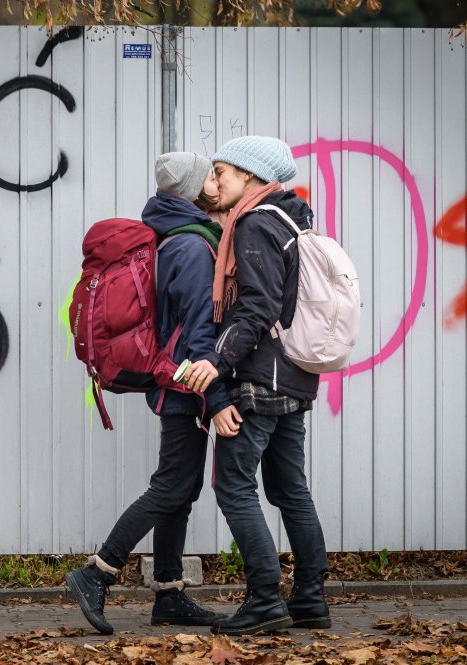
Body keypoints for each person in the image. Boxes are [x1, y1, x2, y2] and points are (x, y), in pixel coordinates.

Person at [66, 152, 243, 635]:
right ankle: (97, 572)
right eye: (209, 174)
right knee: (170, 486)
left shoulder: (176, 236)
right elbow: (195, 335)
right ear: (192, 189)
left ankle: (169, 593)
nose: (216, 179)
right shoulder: (190, 248)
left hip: (180, 385)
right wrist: (216, 398)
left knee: (180, 489)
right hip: (186, 385)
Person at [180, 135, 331, 636]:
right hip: (293, 377)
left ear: (248, 176)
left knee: (235, 488)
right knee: (291, 489)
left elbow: (258, 307)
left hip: (262, 380)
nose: (214, 181)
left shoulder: (254, 222)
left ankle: (266, 597)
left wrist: (217, 363)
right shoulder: (290, 217)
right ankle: (309, 598)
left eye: (220, 171)